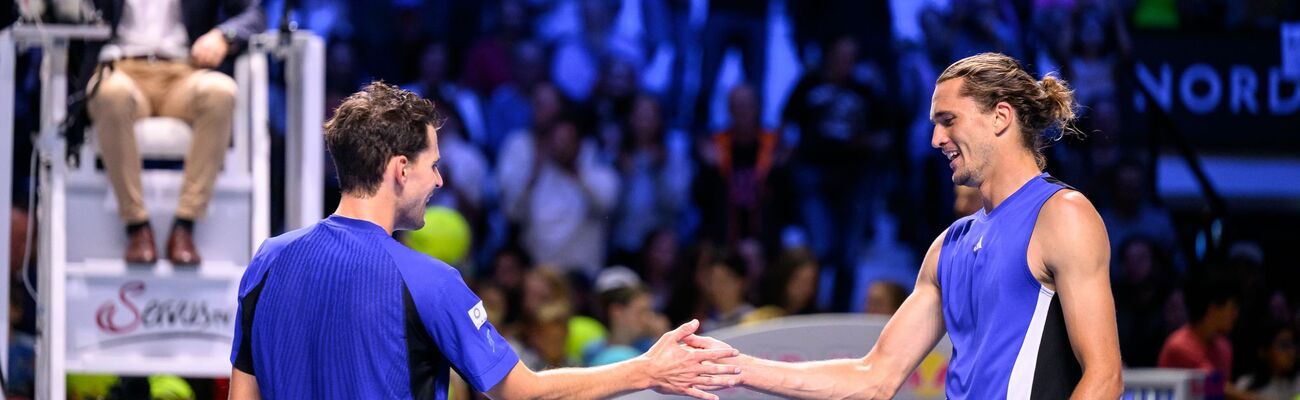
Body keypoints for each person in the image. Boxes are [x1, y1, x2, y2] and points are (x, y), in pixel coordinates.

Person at [228, 83, 739, 400]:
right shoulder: (427, 280)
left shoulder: (268, 261)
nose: (440, 182)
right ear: (400, 170)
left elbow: (243, 395)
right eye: (434, 166)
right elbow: (523, 394)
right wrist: (646, 370)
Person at [688, 53, 1123, 398]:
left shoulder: (1063, 214)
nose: (935, 140)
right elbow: (872, 377)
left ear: (1000, 117)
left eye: (948, 121)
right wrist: (736, 366)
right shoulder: (947, 247)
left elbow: (1104, 380)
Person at [80, 0, 266, 265]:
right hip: (121, 67)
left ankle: (185, 224)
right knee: (111, 94)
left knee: (221, 92)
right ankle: (137, 225)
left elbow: (254, 14)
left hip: (183, 69)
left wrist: (224, 35)